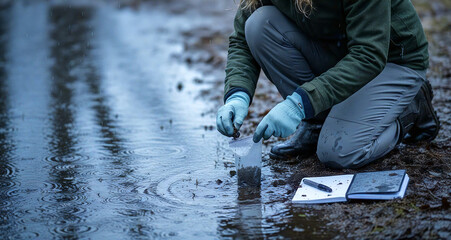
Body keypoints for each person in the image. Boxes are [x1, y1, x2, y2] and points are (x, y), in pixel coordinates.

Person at [216, 0, 440, 169]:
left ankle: (412, 107)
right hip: (337, 52)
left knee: (338, 153)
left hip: (390, 61)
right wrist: (237, 95)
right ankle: (316, 124)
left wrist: (300, 103)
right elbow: (241, 40)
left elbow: (369, 55)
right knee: (258, 23)